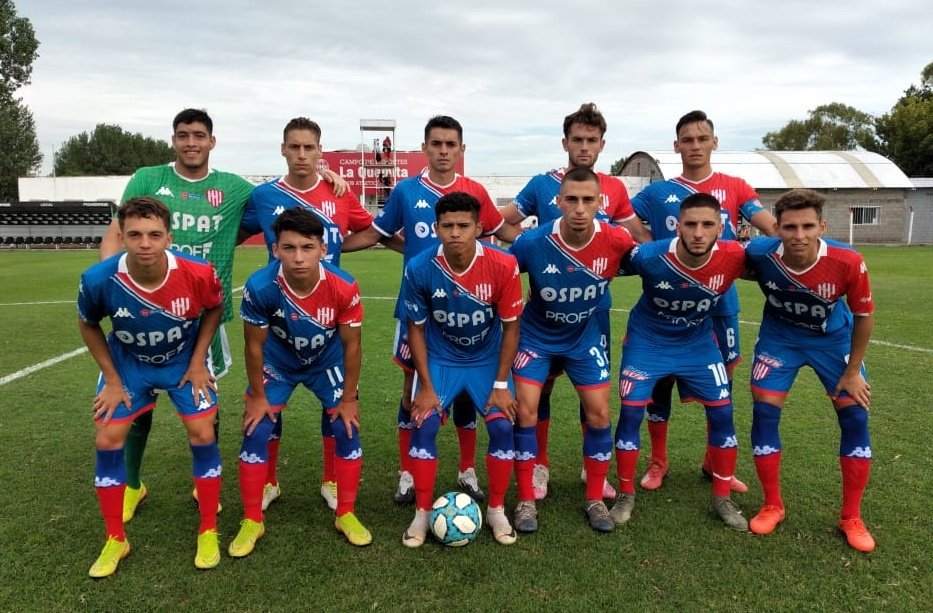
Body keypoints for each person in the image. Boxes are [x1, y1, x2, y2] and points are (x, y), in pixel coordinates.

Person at [98, 108, 350, 523]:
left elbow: (286, 199)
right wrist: (113, 290)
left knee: (204, 405)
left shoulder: (235, 189)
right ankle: (131, 485)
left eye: (200, 135)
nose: (192, 143)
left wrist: (326, 178)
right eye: (184, 135)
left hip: (203, 315)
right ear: (174, 140)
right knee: (135, 402)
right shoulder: (147, 179)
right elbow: (115, 234)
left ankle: (205, 484)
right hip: (143, 311)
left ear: (212, 142)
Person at [350, 116, 520, 505]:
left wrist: (536, 242)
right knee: (411, 391)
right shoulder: (407, 191)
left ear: (462, 150)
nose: (444, 151)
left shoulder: (474, 191)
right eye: (436, 144)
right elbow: (380, 234)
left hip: (469, 311)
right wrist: (328, 248)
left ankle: (467, 469)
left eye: (451, 144)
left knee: (465, 396)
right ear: (424, 148)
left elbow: (496, 234)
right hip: (420, 310)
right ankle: (408, 472)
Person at [240, 117, 400, 514]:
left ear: (319, 151)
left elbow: (372, 230)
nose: (301, 155)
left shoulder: (338, 194)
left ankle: (332, 480)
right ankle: (268, 483)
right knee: (266, 413)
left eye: (309, 148)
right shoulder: (262, 196)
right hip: (279, 315)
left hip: (328, 314)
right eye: (293, 147)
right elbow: (235, 231)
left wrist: (406, 250)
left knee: (338, 413)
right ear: (282, 150)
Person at [500, 103, 650, 502]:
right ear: (565, 142)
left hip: (592, 313)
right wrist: (529, 251)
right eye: (577, 139)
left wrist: (603, 264)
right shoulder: (541, 184)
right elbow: (503, 221)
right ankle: (540, 466)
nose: (584, 146)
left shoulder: (614, 188)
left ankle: (593, 470)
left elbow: (636, 241)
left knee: (593, 396)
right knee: (539, 393)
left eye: (592, 140)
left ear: (602, 145)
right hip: (544, 312)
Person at [630, 109, 777, 493]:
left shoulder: (735, 186)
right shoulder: (658, 193)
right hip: (668, 304)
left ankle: (715, 462)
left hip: (720, 305)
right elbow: (621, 221)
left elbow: (771, 228)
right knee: (657, 384)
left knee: (722, 387)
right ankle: (658, 462)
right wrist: (655, 250)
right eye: (687, 139)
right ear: (676, 145)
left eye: (702, 138)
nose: (695, 146)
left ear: (714, 142)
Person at [79, 197, 224, 577]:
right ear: (121, 237)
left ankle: (208, 528)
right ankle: (115, 539)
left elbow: (214, 309)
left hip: (182, 360)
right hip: (129, 364)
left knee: (202, 431)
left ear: (168, 237)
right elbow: (88, 323)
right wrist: (111, 380)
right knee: (107, 438)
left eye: (154, 235)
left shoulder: (197, 272)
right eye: (135, 235)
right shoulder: (99, 279)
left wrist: (197, 362)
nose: (145, 243)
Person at [229, 208, 371, 556]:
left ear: (323, 249)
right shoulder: (260, 286)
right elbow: (253, 346)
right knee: (256, 428)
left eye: (307, 247)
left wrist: (349, 397)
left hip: (328, 362)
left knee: (346, 426)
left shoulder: (343, 285)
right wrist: (258, 395)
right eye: (289, 248)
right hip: (279, 363)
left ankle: (345, 511)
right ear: (274, 249)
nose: (298, 257)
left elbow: (353, 346)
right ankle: (253, 518)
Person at [744, 189, 876, 552]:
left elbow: (864, 317)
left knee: (854, 420)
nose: (798, 235)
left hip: (833, 343)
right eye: (789, 227)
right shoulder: (760, 253)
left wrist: (852, 372)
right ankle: (773, 504)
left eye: (807, 226)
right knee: (764, 414)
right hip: (779, 341)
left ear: (822, 226)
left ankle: (851, 516)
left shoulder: (848, 261)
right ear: (777, 228)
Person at [509, 167, 636, 533]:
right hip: (535, 337)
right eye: (573, 200)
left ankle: (594, 497)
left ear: (599, 202)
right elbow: (500, 273)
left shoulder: (616, 240)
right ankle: (526, 501)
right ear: (559, 201)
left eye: (588, 200)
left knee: (598, 414)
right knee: (527, 412)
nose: (580, 208)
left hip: (582, 338)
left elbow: (655, 262)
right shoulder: (532, 242)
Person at [613, 192, 748, 531]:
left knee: (723, 411)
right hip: (648, 342)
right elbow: (598, 264)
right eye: (690, 224)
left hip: (697, 344)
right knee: (630, 410)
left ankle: (721, 498)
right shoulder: (648, 256)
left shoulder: (735, 255)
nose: (698, 233)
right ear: (677, 227)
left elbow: (782, 262)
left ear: (721, 228)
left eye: (707, 225)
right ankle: (625, 494)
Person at [398, 192, 522, 547]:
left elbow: (511, 327)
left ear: (479, 228)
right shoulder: (419, 267)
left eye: (463, 225)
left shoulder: (503, 265)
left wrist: (501, 383)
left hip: (486, 359)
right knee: (424, 424)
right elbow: (416, 329)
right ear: (436, 228)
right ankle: (422, 513)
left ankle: (496, 509)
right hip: (441, 357)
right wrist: (424, 384)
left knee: (502, 427)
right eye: (447, 226)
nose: (455, 233)